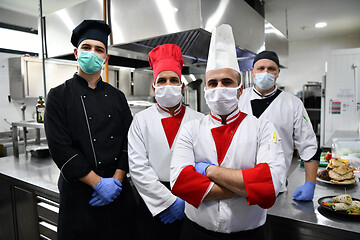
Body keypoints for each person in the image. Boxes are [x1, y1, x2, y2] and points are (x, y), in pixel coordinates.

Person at [170, 24, 286, 240]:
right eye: (212, 83)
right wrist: (249, 187)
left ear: (240, 89)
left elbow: (270, 186)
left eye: (226, 82)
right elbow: (180, 183)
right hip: (196, 233)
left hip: (248, 235)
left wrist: (210, 172)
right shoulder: (190, 130)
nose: (219, 88)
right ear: (205, 91)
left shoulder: (262, 128)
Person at [44, 20, 136, 240]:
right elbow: (60, 148)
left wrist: (116, 181)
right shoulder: (58, 96)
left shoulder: (118, 97)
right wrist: (98, 183)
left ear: (106, 58)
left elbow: (129, 141)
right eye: (87, 48)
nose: (92, 53)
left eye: (99, 49)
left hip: (117, 194)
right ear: (76, 53)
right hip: (79, 198)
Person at [128, 43, 204, 240]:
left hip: (190, 202)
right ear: (154, 87)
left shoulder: (199, 120)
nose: (168, 85)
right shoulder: (141, 120)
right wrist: (168, 202)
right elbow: (138, 168)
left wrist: (185, 202)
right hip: (153, 204)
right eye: (162, 81)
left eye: (173, 80)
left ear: (182, 86)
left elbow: (205, 165)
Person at [238, 50, 320, 201]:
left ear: (278, 73)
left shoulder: (293, 103)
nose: (266, 72)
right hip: (237, 185)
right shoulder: (238, 99)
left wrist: (310, 183)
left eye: (271, 69)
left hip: (275, 186)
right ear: (253, 72)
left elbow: (308, 145)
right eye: (261, 68)